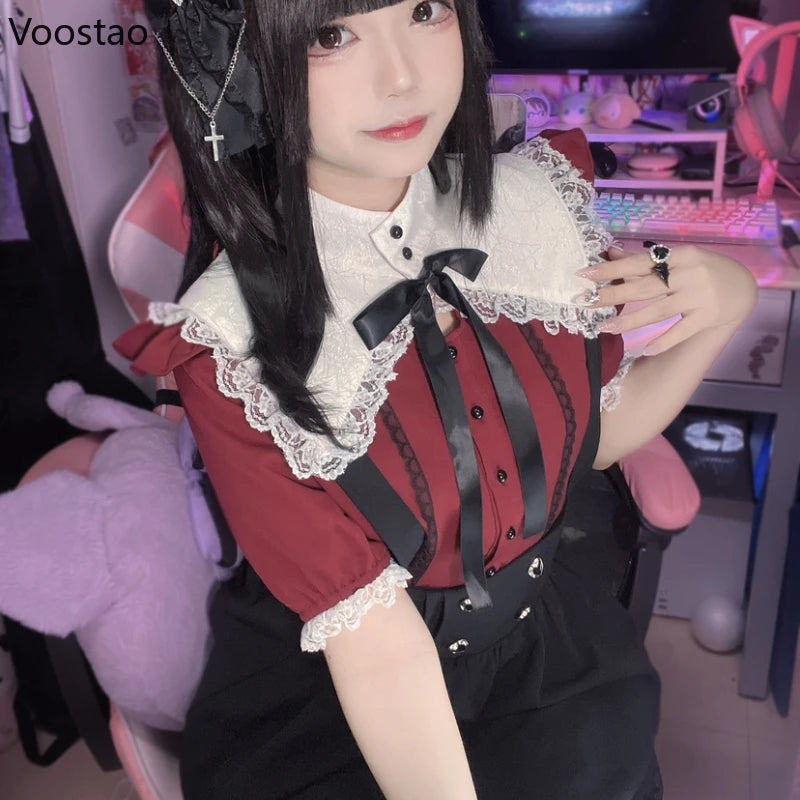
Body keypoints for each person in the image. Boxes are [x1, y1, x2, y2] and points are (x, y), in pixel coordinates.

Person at [114, 1, 758, 798]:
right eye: (331, 35)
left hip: (547, 654)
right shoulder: (228, 339)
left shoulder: (534, 208)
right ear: (240, 61)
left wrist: (723, 312)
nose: (403, 77)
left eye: (424, 10)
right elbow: (376, 648)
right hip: (341, 697)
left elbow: (589, 437)